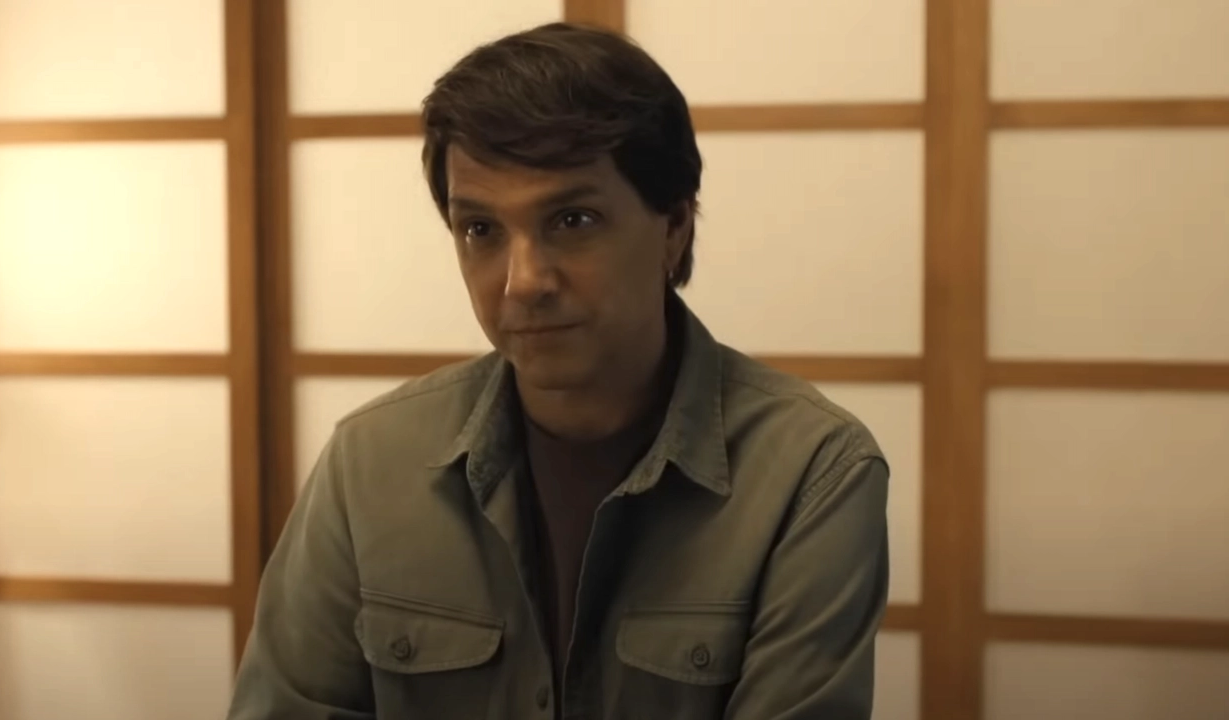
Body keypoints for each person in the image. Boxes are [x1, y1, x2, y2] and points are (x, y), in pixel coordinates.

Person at [228, 21, 890, 720]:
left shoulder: (810, 471)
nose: (523, 282)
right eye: (481, 230)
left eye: (572, 220)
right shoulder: (371, 462)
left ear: (673, 226)